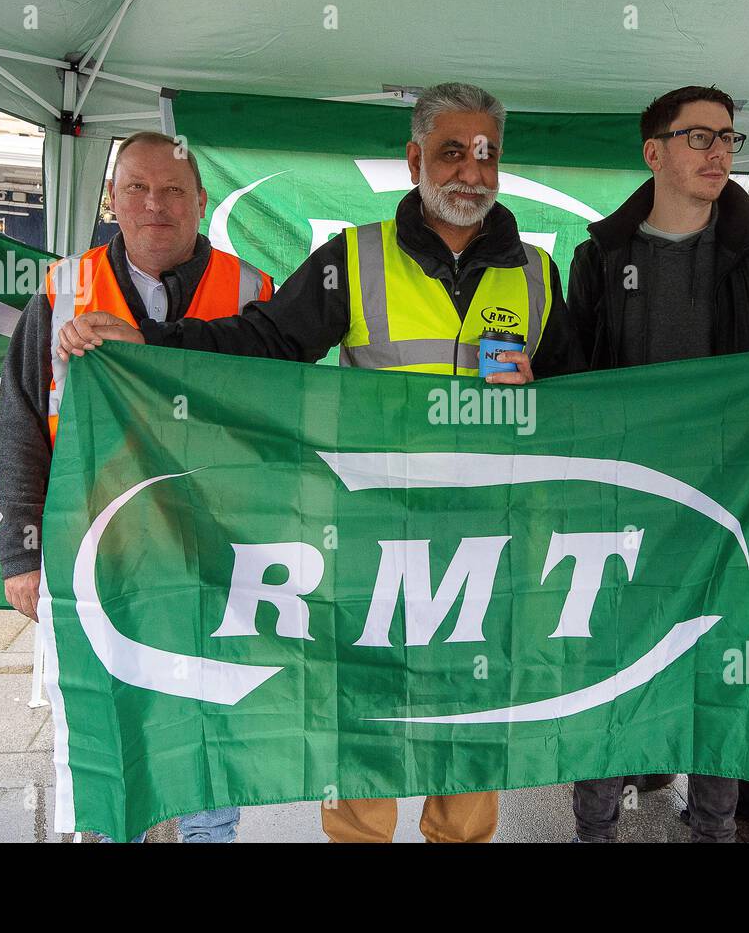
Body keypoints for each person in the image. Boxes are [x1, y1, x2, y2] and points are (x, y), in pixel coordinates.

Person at [54, 82, 584, 842]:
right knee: (365, 728)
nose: (471, 170)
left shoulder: (536, 271)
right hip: (375, 538)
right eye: (452, 151)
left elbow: (578, 407)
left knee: (471, 733)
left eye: (487, 154)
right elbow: (261, 344)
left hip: (486, 542)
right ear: (414, 160)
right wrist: (152, 346)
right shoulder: (354, 258)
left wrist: (543, 396)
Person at [565, 84, 749, 842]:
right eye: (698, 136)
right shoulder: (598, 257)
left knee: (724, 672)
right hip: (620, 509)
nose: (719, 149)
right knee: (608, 673)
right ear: (654, 151)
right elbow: (568, 374)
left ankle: (715, 828)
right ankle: (595, 828)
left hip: (732, 512)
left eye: (728, 137)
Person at [0, 131, 273, 842]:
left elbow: (279, 426)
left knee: (211, 722)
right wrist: (20, 553)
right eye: (139, 189)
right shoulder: (60, 292)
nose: (157, 204)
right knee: (104, 724)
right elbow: (22, 424)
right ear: (111, 200)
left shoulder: (253, 293)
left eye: (175, 189)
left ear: (202, 202)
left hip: (211, 556)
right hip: (96, 555)